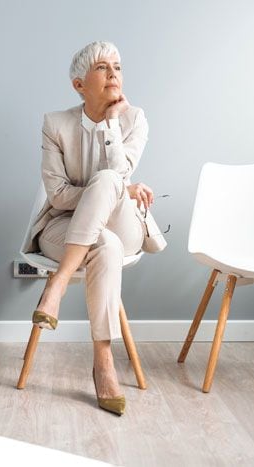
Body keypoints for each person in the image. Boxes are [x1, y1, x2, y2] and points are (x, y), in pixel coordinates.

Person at [21, 41, 160, 415]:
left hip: (124, 222)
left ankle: (57, 286)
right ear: (79, 85)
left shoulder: (135, 119)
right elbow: (58, 194)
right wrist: (116, 187)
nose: (113, 73)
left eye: (117, 66)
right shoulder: (56, 124)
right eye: (102, 68)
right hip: (62, 229)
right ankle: (104, 365)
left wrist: (112, 125)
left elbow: (120, 174)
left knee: (109, 181)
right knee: (107, 246)